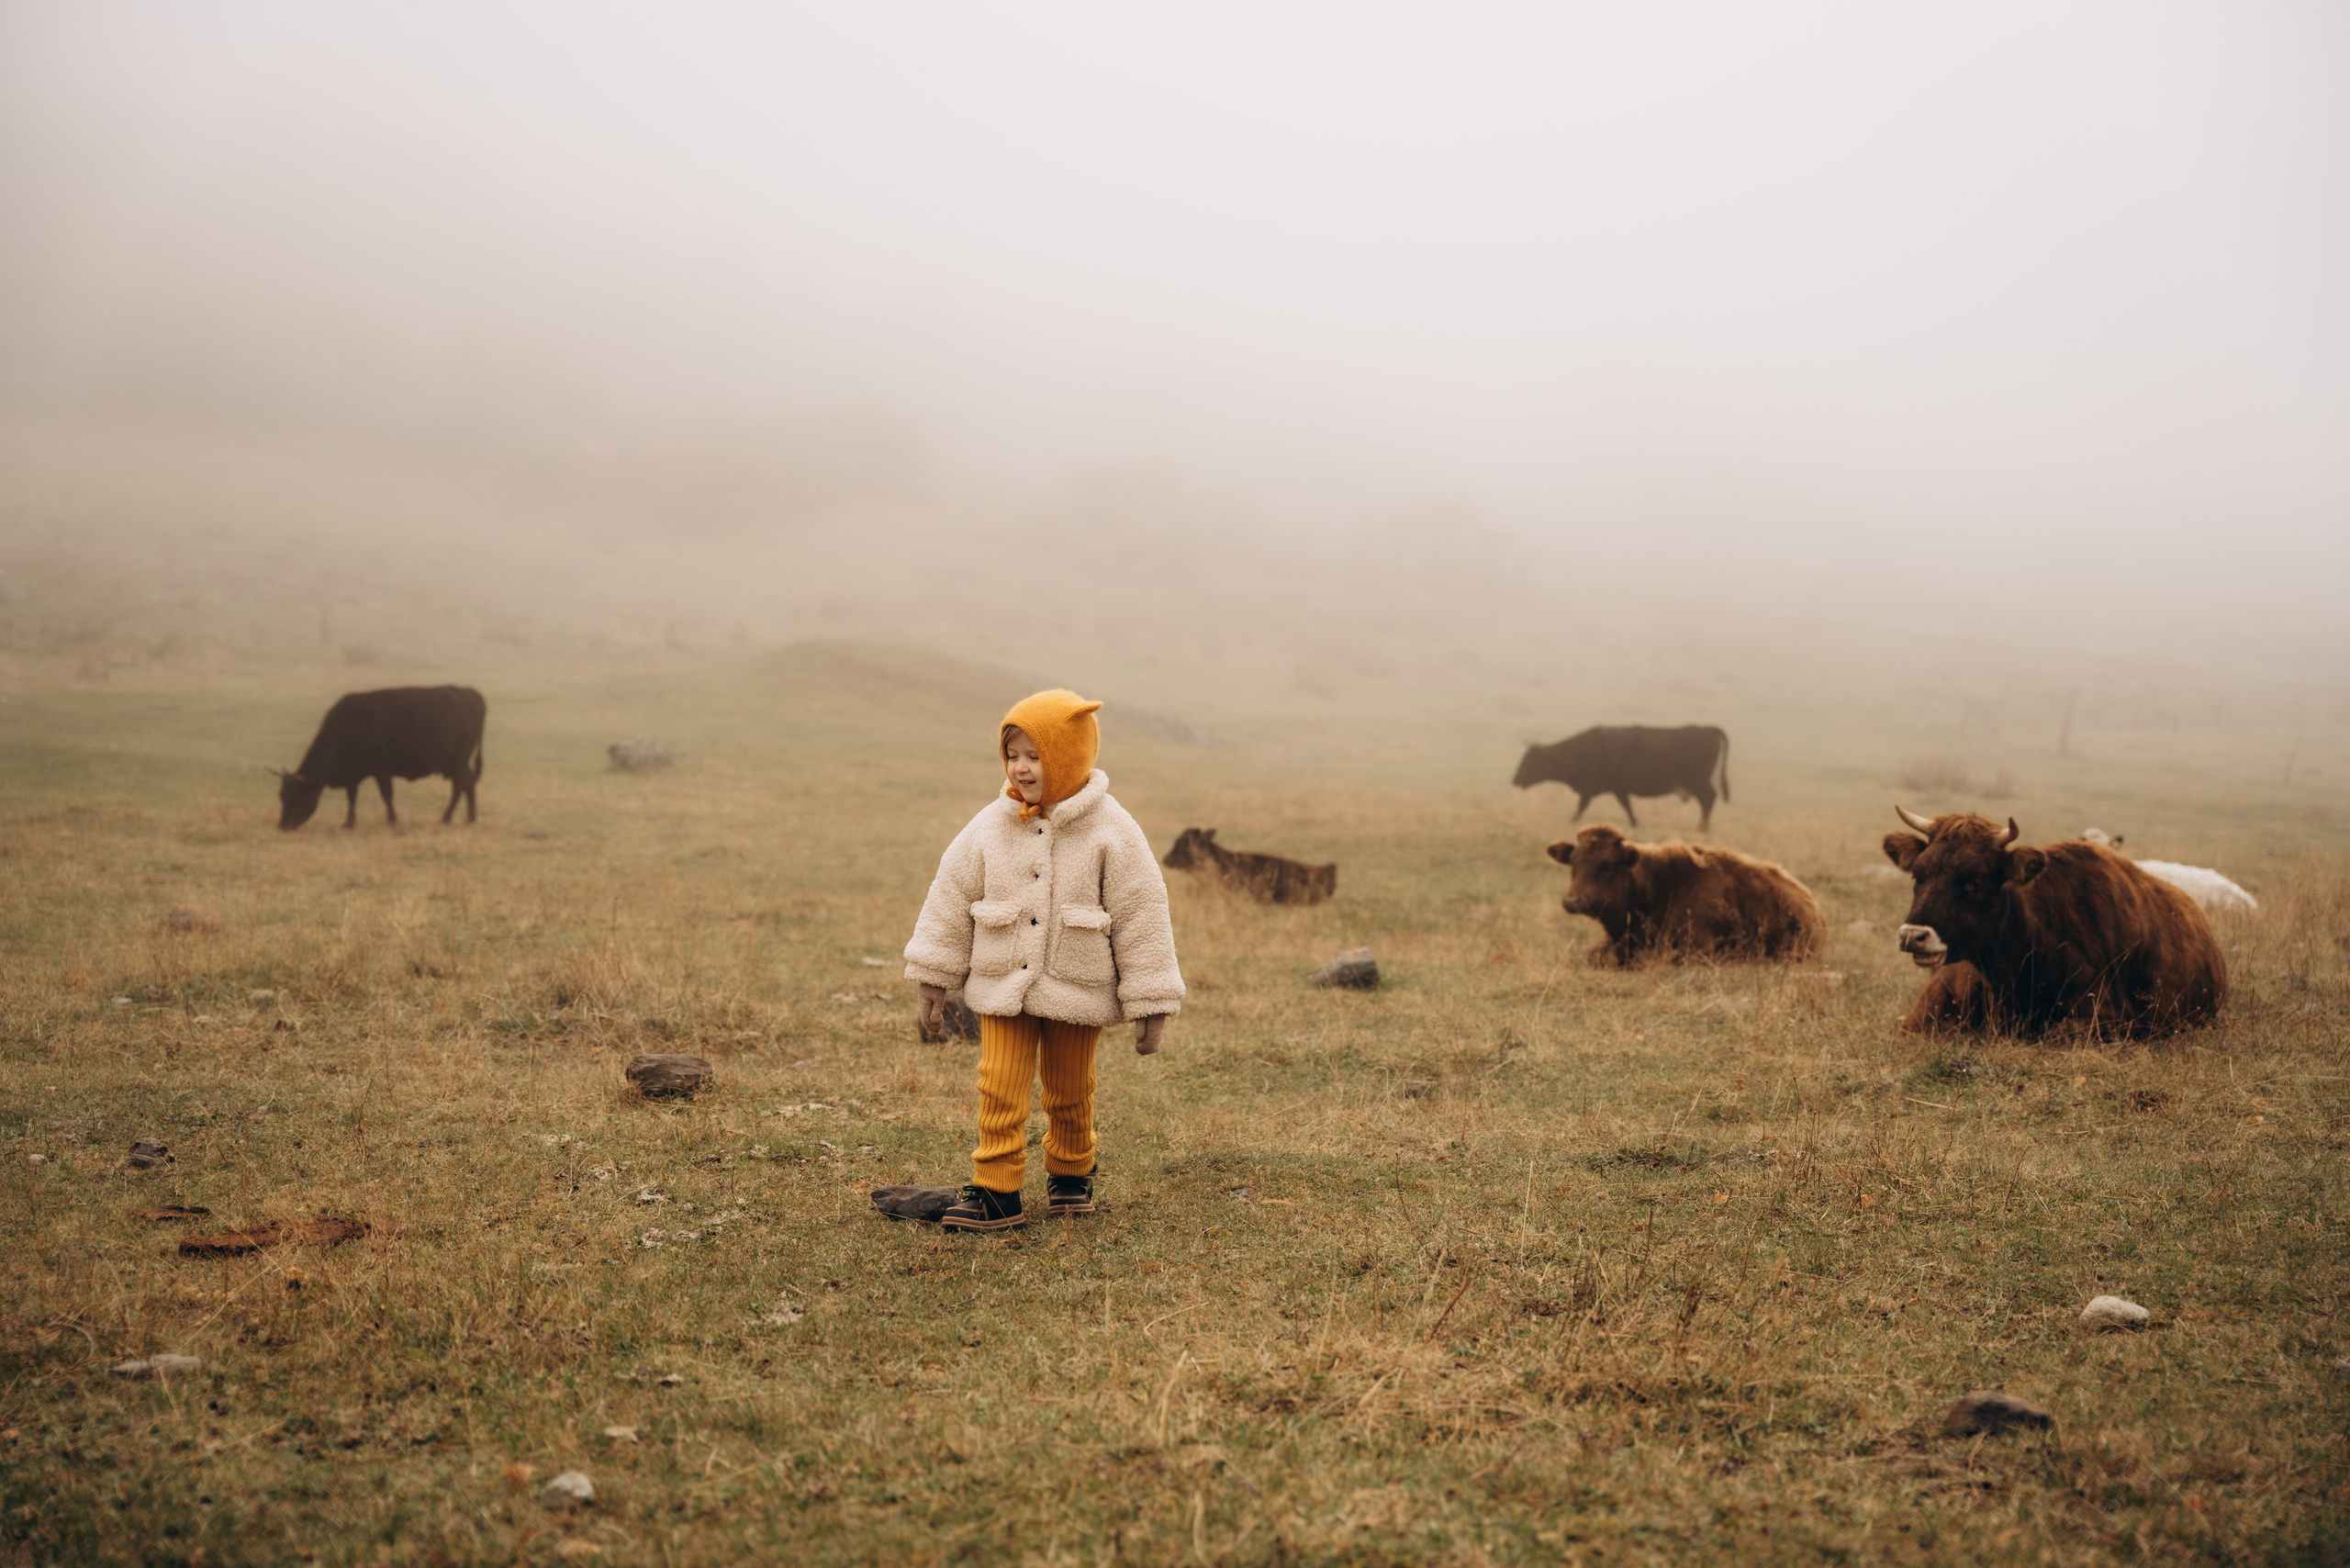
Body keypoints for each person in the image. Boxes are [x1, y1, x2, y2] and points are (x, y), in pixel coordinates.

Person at [896, 689, 1184, 1231]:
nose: (1021, 768)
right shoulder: (990, 824)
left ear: (1070, 757)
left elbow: (1142, 913)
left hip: (1078, 983)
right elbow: (950, 898)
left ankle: (1071, 1175)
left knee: (1070, 1089)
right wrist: (934, 976)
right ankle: (996, 1191)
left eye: (1035, 755)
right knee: (998, 1086)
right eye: (1012, 755)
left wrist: (1150, 999)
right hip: (1001, 981)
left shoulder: (1112, 828)